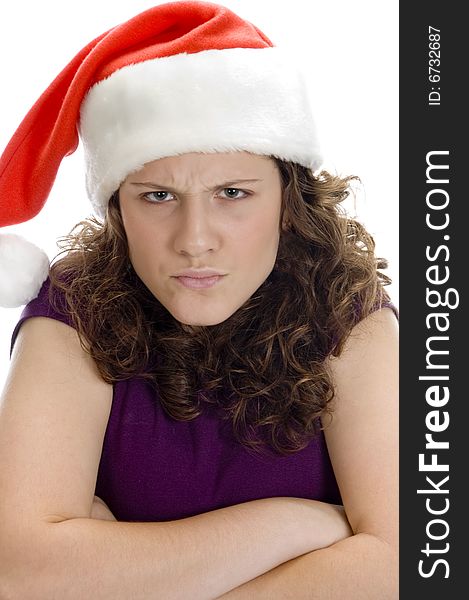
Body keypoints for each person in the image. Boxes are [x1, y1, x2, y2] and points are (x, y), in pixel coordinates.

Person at [0, 2, 398, 598]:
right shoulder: (73, 311)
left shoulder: (348, 310)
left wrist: (123, 574)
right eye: (157, 195)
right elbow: (20, 567)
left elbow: (408, 561)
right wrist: (301, 525)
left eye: (232, 192)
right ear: (117, 207)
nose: (194, 241)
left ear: (289, 201)